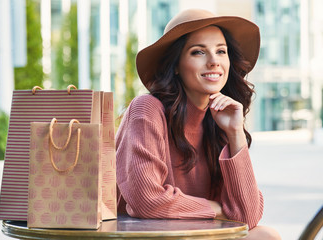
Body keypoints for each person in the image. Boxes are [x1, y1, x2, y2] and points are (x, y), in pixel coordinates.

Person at [116, 9, 281, 239]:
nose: (214, 62)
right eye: (198, 52)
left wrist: (235, 134)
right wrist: (216, 209)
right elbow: (147, 200)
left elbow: (247, 215)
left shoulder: (219, 121)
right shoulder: (147, 109)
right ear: (175, 65)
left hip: (196, 234)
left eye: (221, 51)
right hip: (147, 236)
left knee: (265, 235)